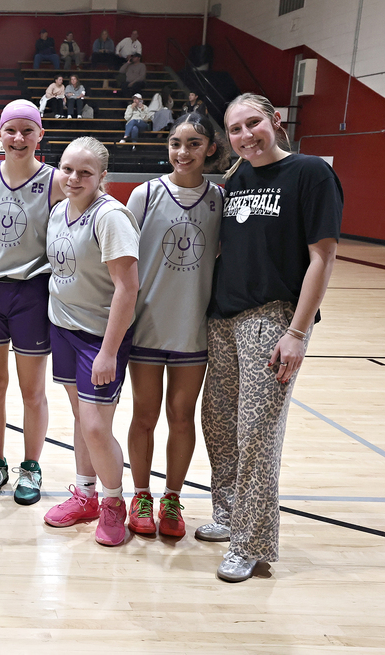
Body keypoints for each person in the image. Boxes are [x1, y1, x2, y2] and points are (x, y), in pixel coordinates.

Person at [200, 93, 342, 582]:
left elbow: (323, 257)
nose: (245, 136)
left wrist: (298, 331)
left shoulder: (310, 174)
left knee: (257, 435)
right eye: (235, 130)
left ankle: (251, 542)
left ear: (275, 122)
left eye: (252, 123)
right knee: (218, 425)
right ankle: (229, 514)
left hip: (271, 315)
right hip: (222, 318)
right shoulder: (236, 177)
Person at [124, 112, 226, 538]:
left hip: (191, 328)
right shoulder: (144, 195)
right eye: (176, 143)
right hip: (147, 324)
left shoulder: (220, 198)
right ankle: (141, 494)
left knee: (182, 417)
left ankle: (172, 497)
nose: (183, 152)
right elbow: (124, 263)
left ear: (211, 149)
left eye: (194, 144)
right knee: (144, 414)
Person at [42, 136, 140, 547]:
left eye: (85, 172)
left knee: (97, 427)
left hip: (99, 337)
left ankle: (114, 502)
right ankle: (85, 495)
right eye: (67, 169)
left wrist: (109, 352)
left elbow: (127, 288)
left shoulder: (110, 216)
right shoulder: (59, 210)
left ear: (103, 176)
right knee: (82, 421)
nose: (74, 178)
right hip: (63, 328)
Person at [0, 100, 62, 506]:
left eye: (27, 130)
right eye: (11, 131)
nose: (19, 138)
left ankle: (31, 466)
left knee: (32, 392)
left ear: (40, 134)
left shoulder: (57, 181)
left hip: (31, 291)